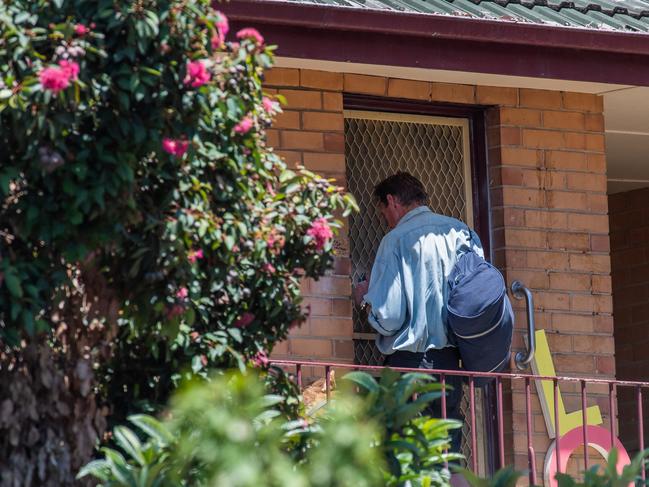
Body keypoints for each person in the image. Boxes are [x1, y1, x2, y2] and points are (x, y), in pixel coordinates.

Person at [352, 171, 483, 454]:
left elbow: (389, 317)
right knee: (446, 451)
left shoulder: (396, 240)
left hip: (409, 363)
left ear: (392, 201)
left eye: (383, 213)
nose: (385, 220)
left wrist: (365, 300)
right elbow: (478, 296)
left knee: (404, 453)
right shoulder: (462, 234)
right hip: (451, 363)